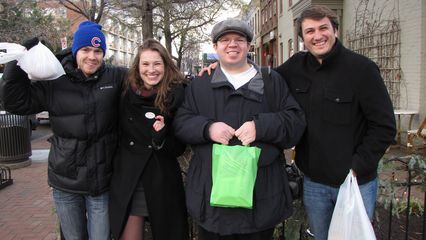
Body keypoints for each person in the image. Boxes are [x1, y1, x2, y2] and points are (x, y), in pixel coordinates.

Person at [174, 19, 306, 240]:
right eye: (225, 40)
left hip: (260, 198)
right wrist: (208, 128)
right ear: (215, 47)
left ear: (248, 46)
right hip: (212, 199)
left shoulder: (270, 80)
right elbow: (180, 123)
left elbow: (295, 123)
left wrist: (260, 126)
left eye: (239, 39)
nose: (232, 44)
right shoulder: (200, 84)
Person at [274, 5, 396, 240]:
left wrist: (356, 167)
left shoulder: (362, 69)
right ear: (303, 38)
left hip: (354, 183)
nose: (317, 36)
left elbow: (384, 126)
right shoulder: (294, 68)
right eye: (310, 31)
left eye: (323, 28)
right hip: (314, 183)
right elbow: (261, 80)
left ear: (335, 30)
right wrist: (222, 67)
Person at [0, 21, 127, 240]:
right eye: (86, 50)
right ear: (75, 50)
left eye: (98, 51)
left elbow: (151, 80)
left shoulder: (115, 77)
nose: (92, 56)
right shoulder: (55, 80)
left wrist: (205, 73)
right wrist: (18, 60)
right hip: (66, 183)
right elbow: (16, 102)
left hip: (102, 183)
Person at [108, 39, 188, 240]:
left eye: (157, 64)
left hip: (161, 179)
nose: (151, 70)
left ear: (166, 65)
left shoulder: (177, 94)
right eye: (145, 64)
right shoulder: (125, 91)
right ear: (138, 66)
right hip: (130, 178)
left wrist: (161, 137)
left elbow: (179, 147)